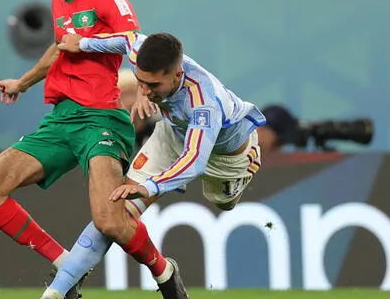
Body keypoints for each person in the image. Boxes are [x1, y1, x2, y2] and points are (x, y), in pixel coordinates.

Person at [0, 0, 187, 299]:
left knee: (108, 219)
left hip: (100, 120)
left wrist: (144, 90)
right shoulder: (60, 2)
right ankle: (64, 261)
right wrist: (23, 82)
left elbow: (137, 42)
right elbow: (58, 48)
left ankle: (164, 271)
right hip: (60, 120)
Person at [44, 31, 266, 298]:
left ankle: (248, 159)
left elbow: (194, 161)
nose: (146, 91)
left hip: (224, 158)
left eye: (153, 85)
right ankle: (61, 287)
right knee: (116, 211)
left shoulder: (205, 102)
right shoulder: (142, 52)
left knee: (223, 202)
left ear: (176, 73)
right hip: (172, 134)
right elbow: (126, 38)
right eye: (141, 82)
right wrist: (82, 44)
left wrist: (150, 186)